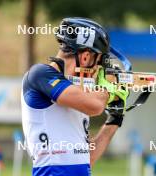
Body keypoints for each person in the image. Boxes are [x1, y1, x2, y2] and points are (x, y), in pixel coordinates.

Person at [21, 17, 129, 176]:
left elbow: (87, 158)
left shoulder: (78, 95)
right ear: (86, 57)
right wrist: (110, 88)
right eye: (99, 62)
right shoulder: (40, 74)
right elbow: (96, 106)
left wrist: (115, 117)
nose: (98, 69)